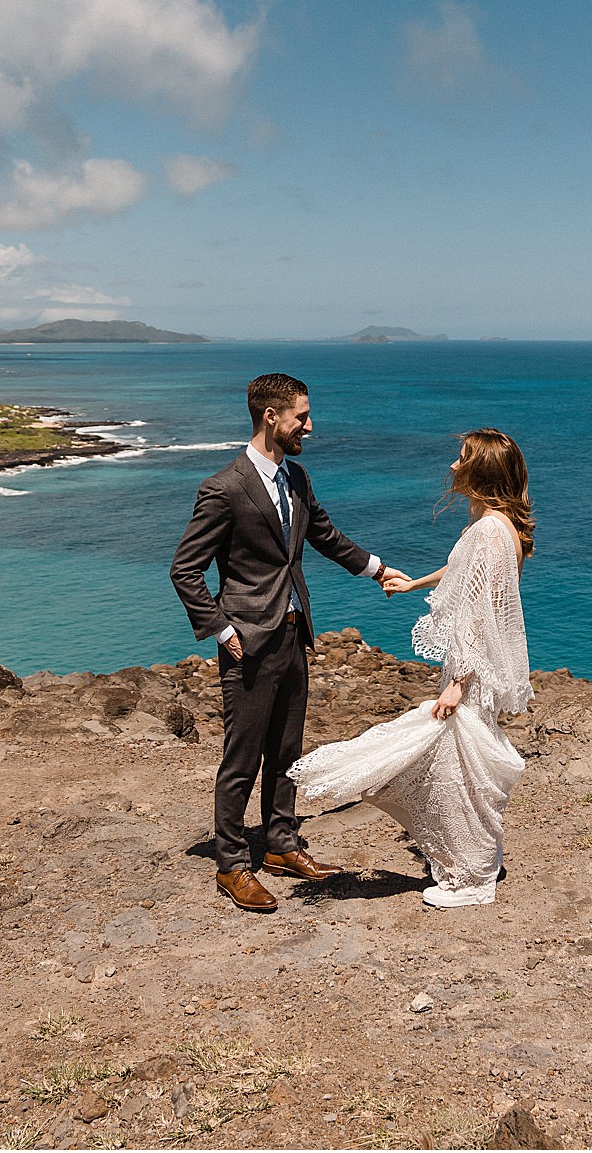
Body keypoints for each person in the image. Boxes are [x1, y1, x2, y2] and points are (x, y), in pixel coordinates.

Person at [170, 373, 408, 913]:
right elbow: (185, 570)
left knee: (286, 750)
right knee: (242, 756)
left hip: (295, 632)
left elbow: (323, 534)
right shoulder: (224, 487)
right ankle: (231, 863)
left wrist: (377, 570)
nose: (309, 424)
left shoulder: (296, 476)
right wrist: (221, 627)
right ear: (271, 416)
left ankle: (280, 844)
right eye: (301, 415)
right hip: (247, 640)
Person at [288, 429, 534, 908]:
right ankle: (475, 862)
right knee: (461, 766)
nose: (453, 465)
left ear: (482, 469)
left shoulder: (487, 530)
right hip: (476, 669)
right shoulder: (498, 525)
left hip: (471, 672)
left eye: (462, 457)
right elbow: (464, 572)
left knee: (459, 772)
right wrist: (411, 584)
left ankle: (475, 878)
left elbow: (478, 611)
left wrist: (459, 684)